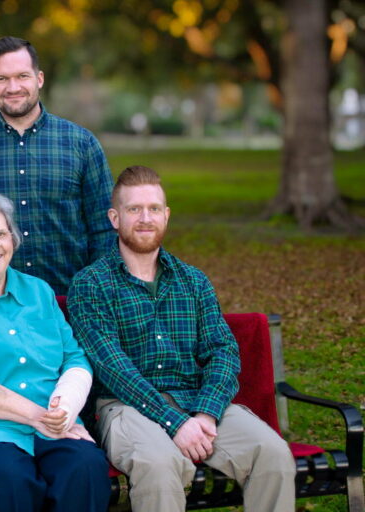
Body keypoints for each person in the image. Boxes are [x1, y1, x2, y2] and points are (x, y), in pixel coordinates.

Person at [67, 165, 296, 512]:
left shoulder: (193, 280)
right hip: (125, 406)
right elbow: (113, 368)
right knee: (158, 466)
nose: (146, 218)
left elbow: (222, 350)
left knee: (274, 455)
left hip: (195, 400)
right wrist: (176, 423)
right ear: (115, 218)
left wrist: (206, 414)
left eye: (154, 209)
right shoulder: (91, 284)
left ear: (166, 215)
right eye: (134, 209)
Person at [0, 193, 112, 512]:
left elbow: (74, 357)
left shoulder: (38, 291)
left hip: (55, 424)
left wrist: (64, 410)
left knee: (85, 466)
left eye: (1, 234)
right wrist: (39, 418)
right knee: (10, 479)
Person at [0, 36, 114, 295]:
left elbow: (105, 228)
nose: (13, 87)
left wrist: (93, 295)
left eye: (22, 76)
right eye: (2, 79)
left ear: (39, 79)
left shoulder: (82, 144)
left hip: (69, 299)